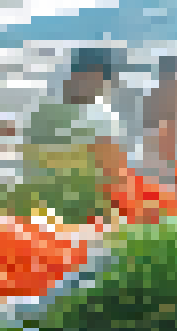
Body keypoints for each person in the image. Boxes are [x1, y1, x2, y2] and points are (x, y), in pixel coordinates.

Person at [20, 48, 131, 224]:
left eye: (99, 80)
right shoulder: (46, 110)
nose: (95, 85)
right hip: (60, 210)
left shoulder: (45, 110)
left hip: (70, 210)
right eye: (91, 77)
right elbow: (112, 172)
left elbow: (112, 169)